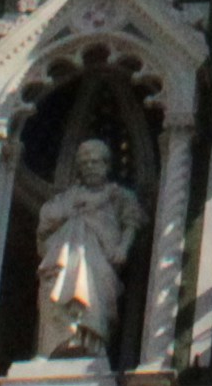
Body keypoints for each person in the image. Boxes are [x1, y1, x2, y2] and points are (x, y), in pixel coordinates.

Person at [30, 137, 140, 363]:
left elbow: (132, 222)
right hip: (64, 253)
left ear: (106, 165)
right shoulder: (69, 197)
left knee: (92, 293)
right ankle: (53, 347)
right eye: (85, 163)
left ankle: (90, 346)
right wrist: (69, 212)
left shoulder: (118, 196)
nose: (90, 167)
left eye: (95, 162)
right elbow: (46, 222)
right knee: (55, 289)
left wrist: (123, 247)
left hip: (99, 257)